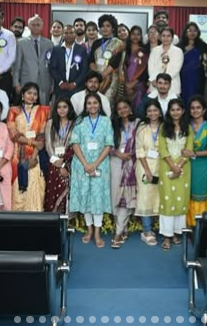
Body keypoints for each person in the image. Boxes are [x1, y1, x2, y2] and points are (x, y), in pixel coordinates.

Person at [69, 92, 114, 248]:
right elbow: (75, 143)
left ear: (100, 105)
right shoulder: (79, 121)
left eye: (95, 103)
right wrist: (85, 164)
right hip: (81, 164)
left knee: (97, 198)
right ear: (85, 106)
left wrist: (94, 164)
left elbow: (108, 144)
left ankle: (97, 232)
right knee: (86, 197)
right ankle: (89, 230)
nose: (92, 106)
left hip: (100, 164)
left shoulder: (106, 121)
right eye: (89, 103)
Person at [7, 82, 50, 211]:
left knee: (36, 187)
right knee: (17, 190)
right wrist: (33, 143)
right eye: (29, 93)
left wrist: (33, 156)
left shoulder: (44, 110)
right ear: (22, 95)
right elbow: (14, 135)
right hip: (18, 155)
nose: (32, 96)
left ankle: (35, 218)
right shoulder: (13, 111)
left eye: (35, 94)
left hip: (36, 156)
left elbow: (41, 136)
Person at [157, 99, 193, 250]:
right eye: (173, 110)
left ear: (183, 111)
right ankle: (167, 235)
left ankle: (176, 232)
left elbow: (189, 149)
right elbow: (162, 148)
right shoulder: (163, 127)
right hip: (166, 167)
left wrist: (179, 166)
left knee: (180, 200)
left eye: (178, 109)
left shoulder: (188, 127)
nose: (175, 112)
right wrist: (173, 165)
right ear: (169, 111)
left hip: (184, 169)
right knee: (167, 200)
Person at [110, 99, 139, 249]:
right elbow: (106, 145)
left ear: (130, 108)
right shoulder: (113, 126)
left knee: (126, 198)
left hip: (132, 164)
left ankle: (118, 233)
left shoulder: (138, 124)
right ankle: (123, 227)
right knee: (116, 197)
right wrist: (118, 154)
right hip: (115, 163)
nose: (123, 110)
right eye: (119, 108)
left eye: (125, 107)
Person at [135, 99, 162, 246]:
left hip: (161, 166)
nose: (152, 113)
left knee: (158, 197)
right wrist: (147, 170)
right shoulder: (142, 128)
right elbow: (139, 150)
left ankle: (159, 229)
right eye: (150, 111)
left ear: (160, 112)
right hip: (144, 167)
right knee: (145, 198)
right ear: (146, 113)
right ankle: (146, 231)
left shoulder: (165, 127)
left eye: (155, 110)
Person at [186, 96, 207, 225]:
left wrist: (193, 153)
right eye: (192, 108)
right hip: (187, 165)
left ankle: (198, 226)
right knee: (187, 195)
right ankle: (187, 225)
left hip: (203, 166)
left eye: (198, 107)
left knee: (199, 197)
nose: (195, 110)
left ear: (204, 110)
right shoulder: (186, 126)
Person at [44, 98, 77, 213]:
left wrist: (64, 163)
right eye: (59, 107)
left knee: (68, 194)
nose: (62, 110)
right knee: (52, 193)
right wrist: (58, 163)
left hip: (70, 163)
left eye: (65, 107)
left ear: (69, 108)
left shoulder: (75, 124)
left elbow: (75, 145)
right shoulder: (50, 123)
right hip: (54, 163)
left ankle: (67, 219)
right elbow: (48, 145)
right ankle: (54, 219)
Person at [13, 16, 53, 106]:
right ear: (29, 27)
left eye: (38, 25)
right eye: (33, 25)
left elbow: (52, 65)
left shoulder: (49, 44)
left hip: (45, 83)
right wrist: (16, 84)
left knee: (43, 109)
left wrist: (53, 84)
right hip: (26, 82)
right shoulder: (21, 43)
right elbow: (17, 65)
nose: (35, 27)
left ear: (42, 27)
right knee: (27, 109)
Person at [88, 14, 124, 106]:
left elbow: (115, 62)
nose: (105, 28)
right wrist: (96, 74)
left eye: (108, 26)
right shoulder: (96, 42)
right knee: (95, 103)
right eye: (103, 26)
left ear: (113, 28)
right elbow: (91, 60)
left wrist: (103, 75)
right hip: (96, 79)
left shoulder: (118, 43)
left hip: (111, 79)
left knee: (108, 103)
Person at [50, 24, 89, 103]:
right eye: (66, 33)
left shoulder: (82, 49)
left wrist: (75, 83)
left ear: (75, 34)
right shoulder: (56, 49)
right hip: (60, 88)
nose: (68, 35)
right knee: (61, 108)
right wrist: (60, 82)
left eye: (71, 33)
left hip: (77, 88)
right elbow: (52, 68)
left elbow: (84, 69)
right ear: (62, 34)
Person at [179, 22, 207, 107]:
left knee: (197, 100)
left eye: (195, 30)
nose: (192, 33)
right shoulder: (179, 47)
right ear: (185, 32)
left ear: (198, 32)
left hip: (198, 78)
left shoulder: (203, 46)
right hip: (183, 78)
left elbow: (206, 63)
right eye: (190, 30)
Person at [148, 27, 183, 96]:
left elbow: (176, 69)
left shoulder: (178, 51)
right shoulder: (155, 50)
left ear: (172, 38)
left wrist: (163, 81)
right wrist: (155, 80)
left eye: (168, 36)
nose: (165, 38)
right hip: (155, 85)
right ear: (160, 37)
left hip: (172, 86)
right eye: (163, 36)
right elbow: (151, 67)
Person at [124, 25, 150, 113]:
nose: (135, 36)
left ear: (141, 36)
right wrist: (127, 83)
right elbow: (123, 67)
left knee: (138, 109)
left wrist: (133, 83)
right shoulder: (125, 50)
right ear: (130, 35)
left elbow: (145, 70)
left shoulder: (144, 51)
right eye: (133, 34)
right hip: (125, 83)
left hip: (138, 84)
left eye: (138, 34)